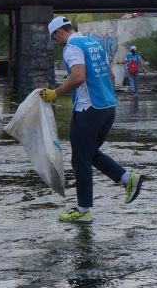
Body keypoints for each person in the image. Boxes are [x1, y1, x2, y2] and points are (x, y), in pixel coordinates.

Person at [39, 16, 145, 223]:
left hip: (88, 109)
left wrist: (55, 93)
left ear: (59, 32)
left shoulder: (71, 47)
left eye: (55, 38)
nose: (57, 43)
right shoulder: (94, 43)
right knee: (88, 154)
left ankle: (83, 210)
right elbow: (111, 76)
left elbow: (78, 77)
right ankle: (127, 178)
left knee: (80, 160)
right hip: (108, 107)